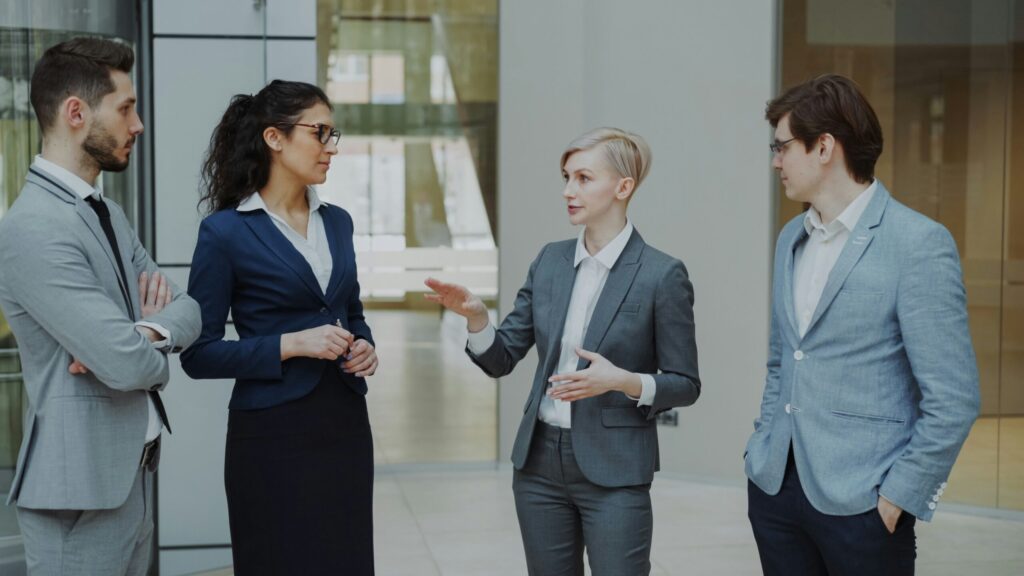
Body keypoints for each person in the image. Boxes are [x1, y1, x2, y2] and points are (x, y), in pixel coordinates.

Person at [425, 127, 700, 576]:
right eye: (566, 177)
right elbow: (503, 358)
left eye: (583, 179)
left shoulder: (662, 274)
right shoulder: (550, 261)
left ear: (623, 187)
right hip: (538, 468)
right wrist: (476, 317)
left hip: (616, 468)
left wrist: (621, 380)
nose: (568, 191)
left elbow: (685, 385)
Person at [744, 74, 981, 576]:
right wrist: (760, 447)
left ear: (825, 146)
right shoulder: (791, 237)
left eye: (782, 146)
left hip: (865, 505)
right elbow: (781, 357)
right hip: (776, 492)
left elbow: (954, 398)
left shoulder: (918, 243)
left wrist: (901, 495)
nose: (775, 161)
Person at [0, 37, 201, 575]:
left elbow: (189, 308)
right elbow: (123, 363)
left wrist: (142, 333)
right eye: (126, 108)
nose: (137, 125)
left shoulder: (104, 211)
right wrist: (139, 347)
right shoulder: (35, 227)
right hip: (78, 498)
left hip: (127, 480)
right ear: (76, 113)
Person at [180, 80, 378, 575]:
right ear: (274, 138)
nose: (332, 147)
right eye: (321, 133)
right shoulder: (225, 232)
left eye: (335, 134)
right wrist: (290, 345)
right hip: (271, 436)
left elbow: (351, 312)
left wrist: (366, 347)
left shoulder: (339, 223)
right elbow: (197, 354)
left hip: (346, 426)